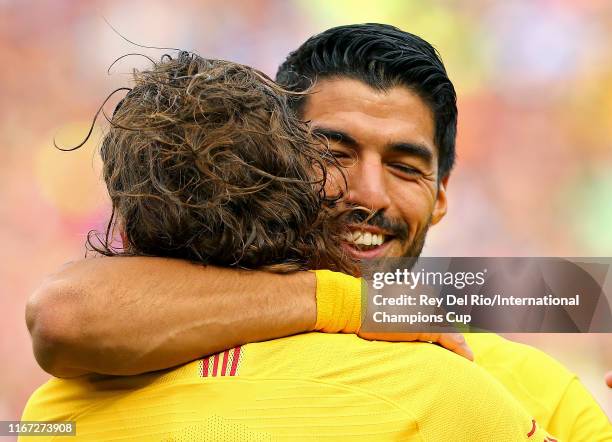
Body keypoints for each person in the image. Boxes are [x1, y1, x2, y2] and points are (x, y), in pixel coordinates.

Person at [26, 24, 611, 439]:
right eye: (335, 153)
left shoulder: (523, 380)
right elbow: (63, 313)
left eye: (406, 168)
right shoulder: (136, 333)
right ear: (273, 162)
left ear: (440, 200)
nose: (370, 194)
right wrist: (357, 304)